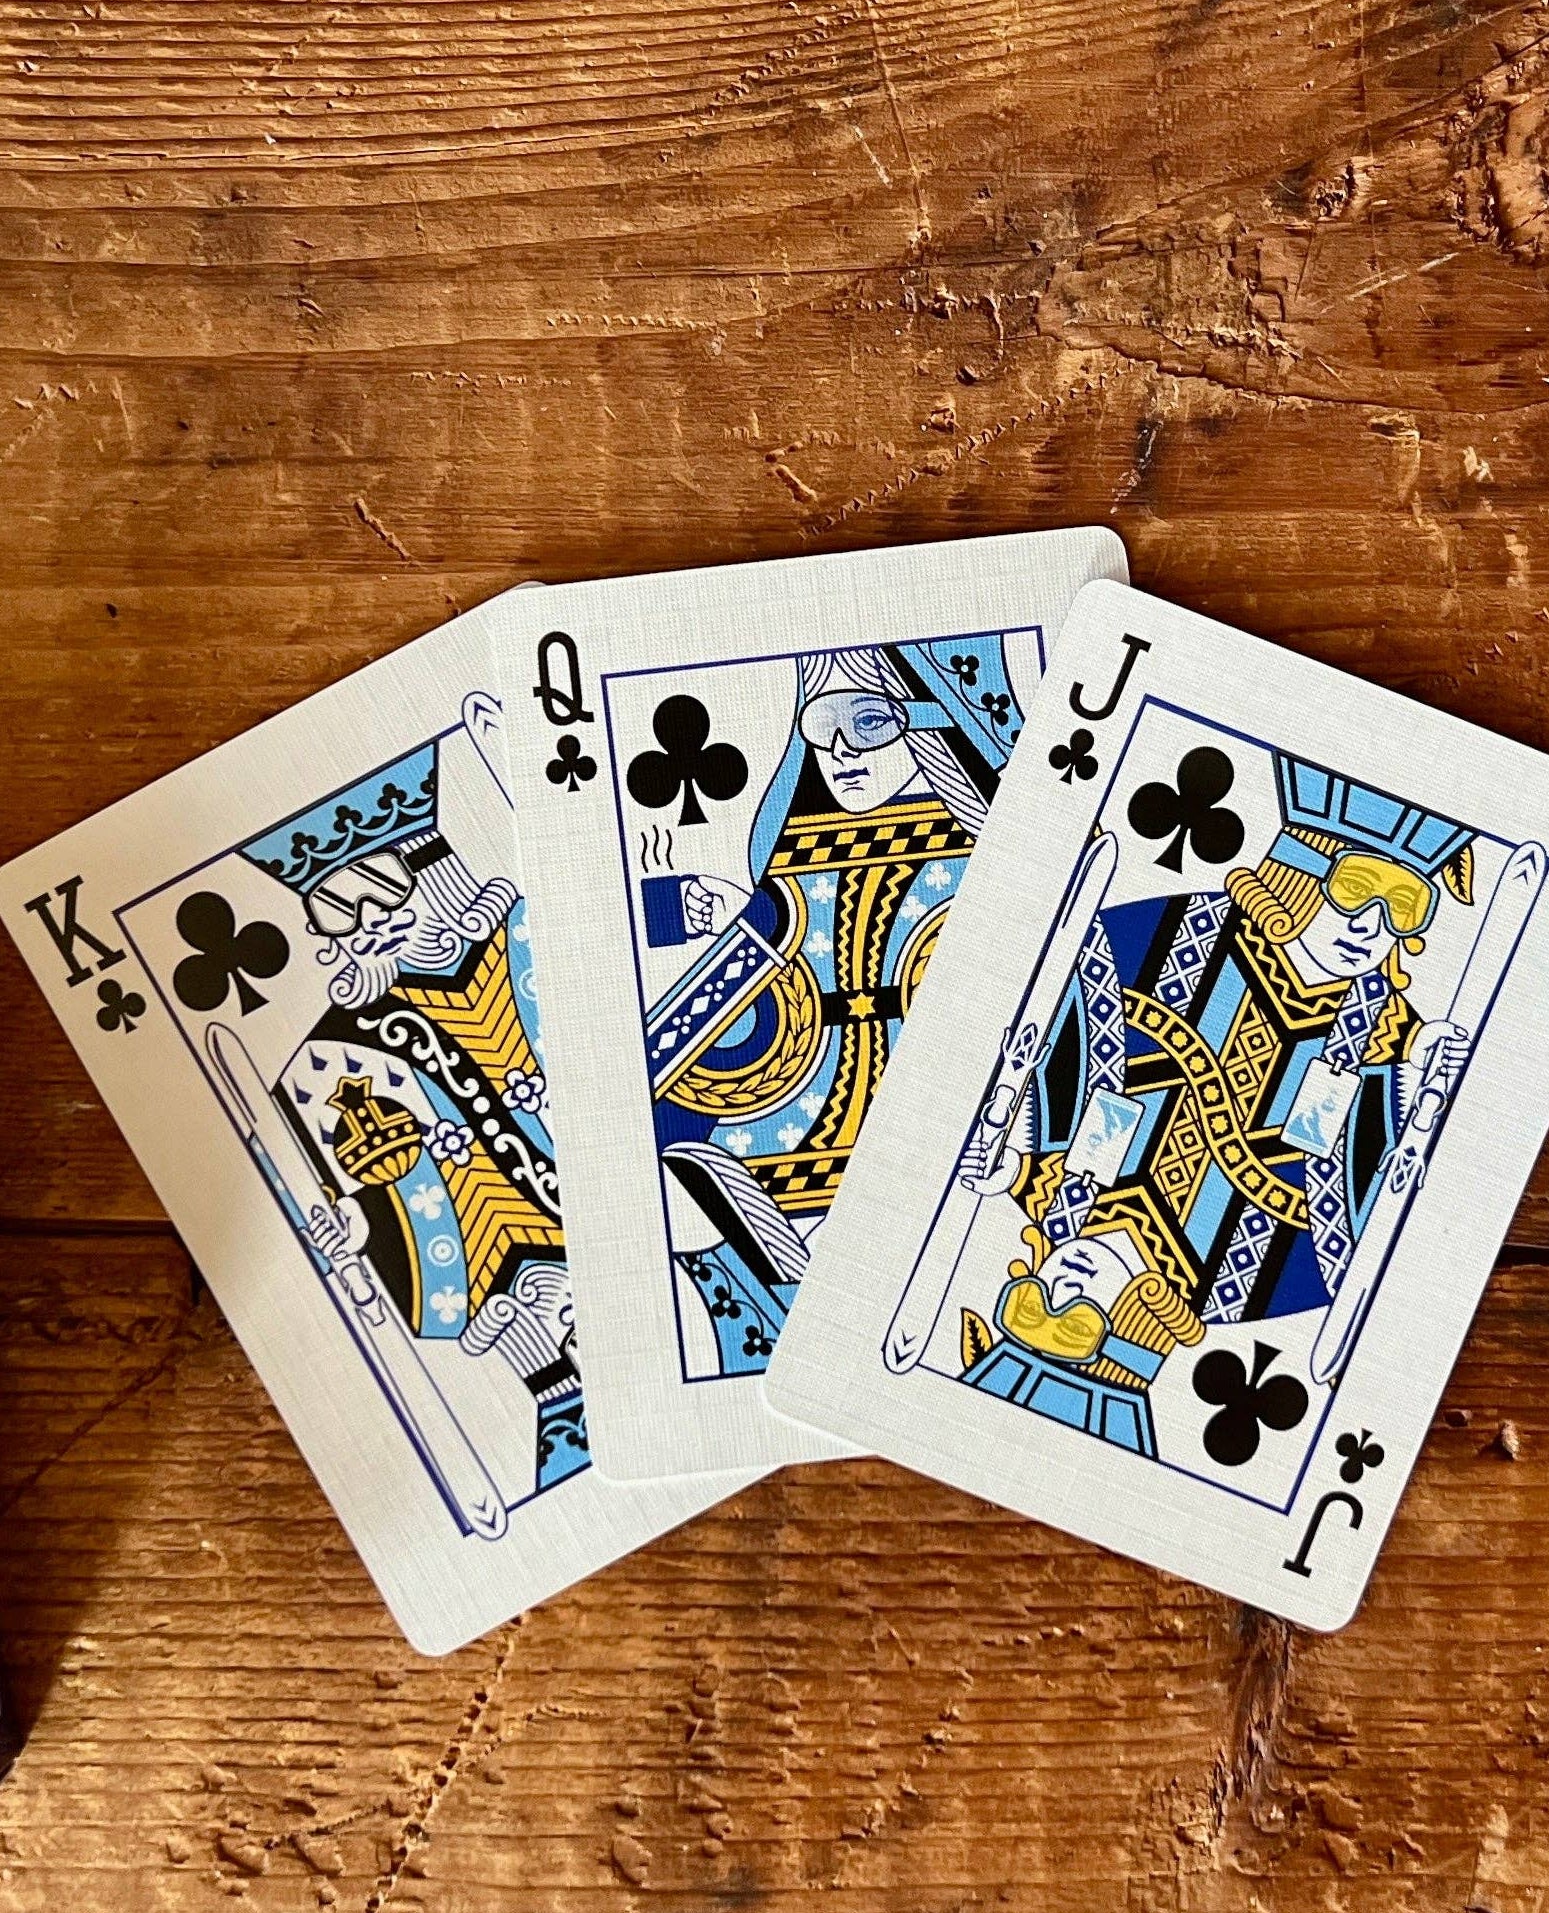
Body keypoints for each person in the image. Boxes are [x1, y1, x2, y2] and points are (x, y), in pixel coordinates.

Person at [959, 753, 1477, 1458]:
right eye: (1355, 891)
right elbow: (1362, 1223)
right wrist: (1416, 1096)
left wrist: (1010, 1134)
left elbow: (1056, 1019)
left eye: (1400, 910)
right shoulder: (1239, 1286)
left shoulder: (1048, 1186)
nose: (1369, 925)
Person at [644, 640, 1023, 1371]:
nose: (842, 748)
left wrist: (1009, 1124)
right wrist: (668, 902)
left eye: (870, 722)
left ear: (929, 719)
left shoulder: (988, 865)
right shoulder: (787, 859)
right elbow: (656, 929)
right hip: (786, 1119)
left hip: (934, 1116)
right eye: (821, 724)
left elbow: (1031, 1011)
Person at [242, 741, 585, 1495]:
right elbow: (347, 1180)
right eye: (337, 918)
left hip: (607, 1181)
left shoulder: (526, 925)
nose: (368, 926)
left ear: (431, 874)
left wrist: (678, 901)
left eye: (382, 896)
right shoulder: (326, 1055)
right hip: (485, 1245)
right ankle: (564, 1402)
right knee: (517, 1318)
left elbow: (615, 926)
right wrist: (344, 1229)